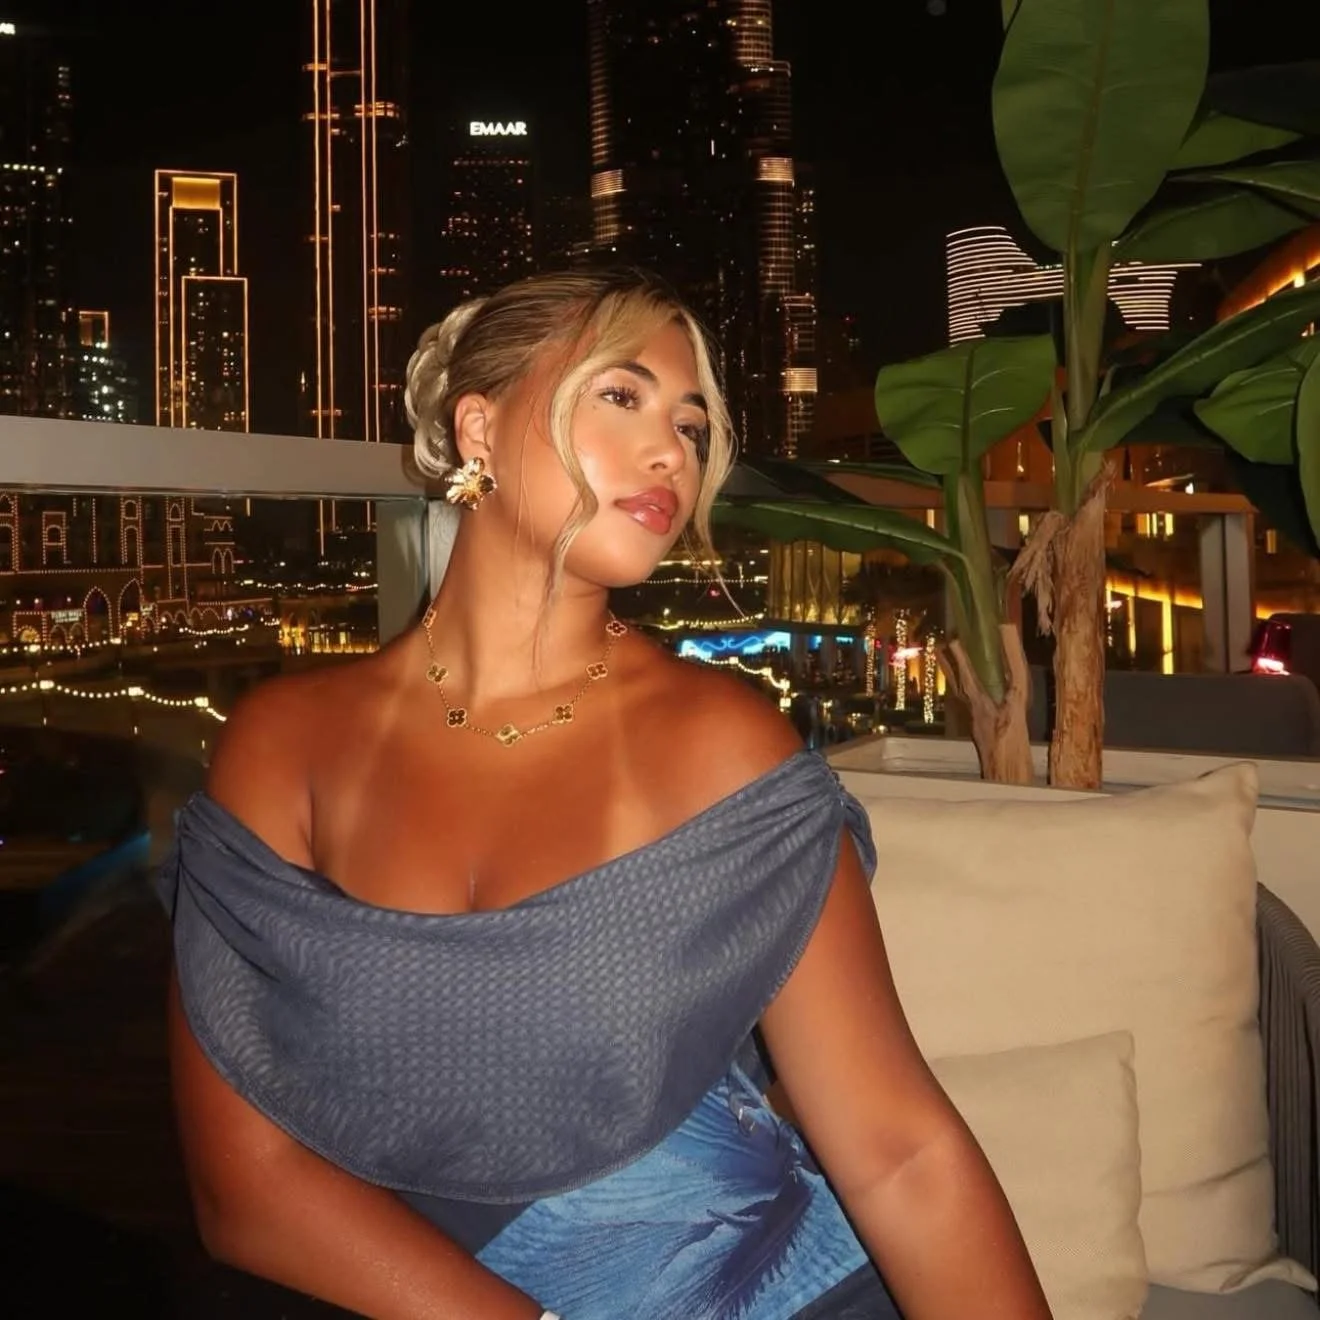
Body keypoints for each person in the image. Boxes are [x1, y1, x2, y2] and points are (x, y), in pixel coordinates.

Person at [158, 269, 1052, 1320]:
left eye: (692, 422)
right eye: (619, 396)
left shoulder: (723, 746)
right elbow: (246, 1188)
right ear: (478, 427)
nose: (672, 450)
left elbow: (899, 1150)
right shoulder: (285, 742)